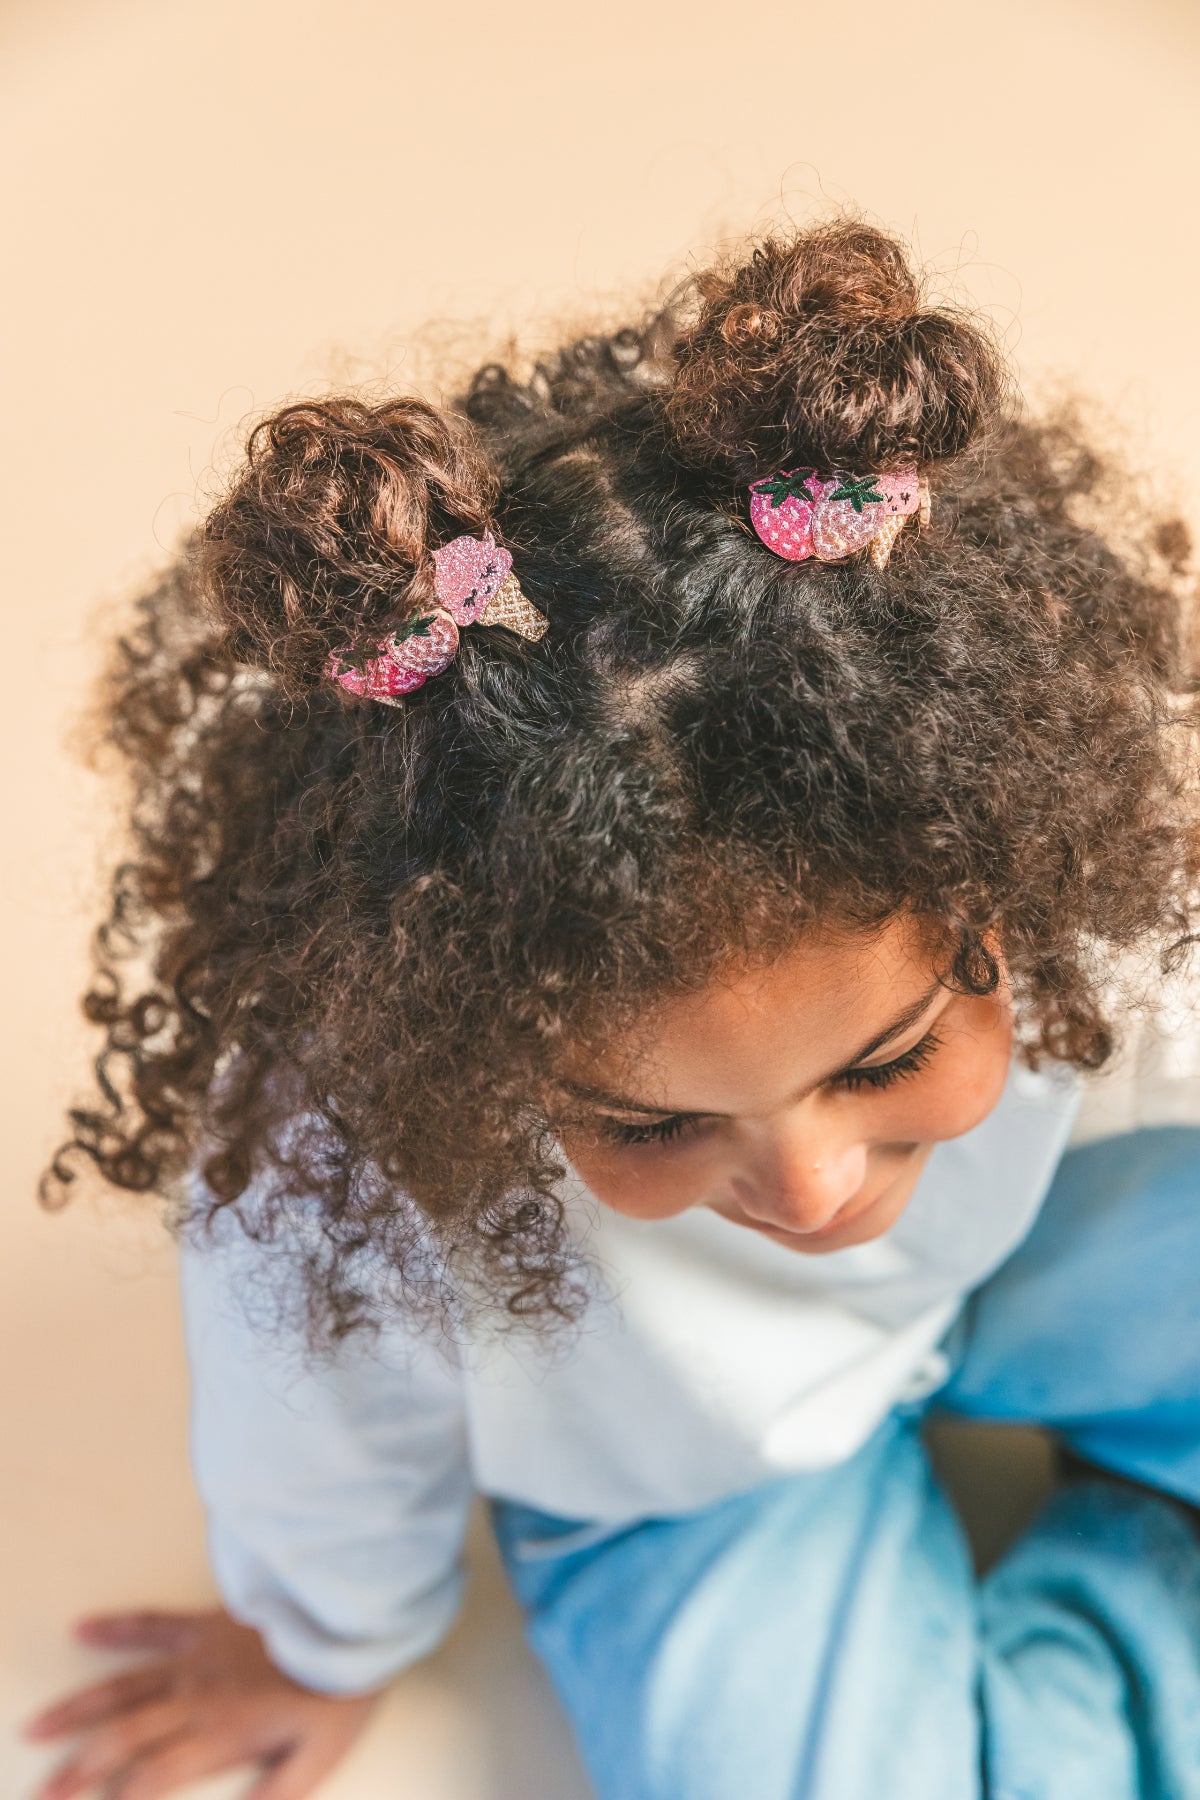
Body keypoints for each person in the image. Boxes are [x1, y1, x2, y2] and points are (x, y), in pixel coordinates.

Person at [25, 217, 1200, 1799]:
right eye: (653, 1121)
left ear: (1016, 897)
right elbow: (313, 1417)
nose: (811, 1187)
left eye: (892, 1057)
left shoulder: (1042, 832)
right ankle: (1144, 1580)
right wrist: (318, 1641)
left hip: (1026, 1259)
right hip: (681, 1474)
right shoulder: (352, 1122)